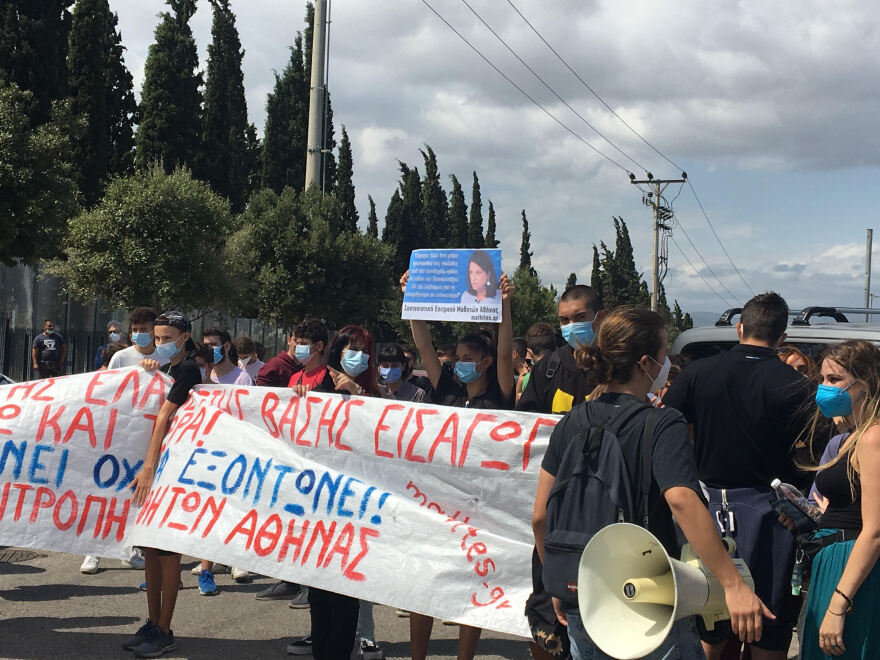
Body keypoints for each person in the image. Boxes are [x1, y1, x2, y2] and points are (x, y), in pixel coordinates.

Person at [532, 306, 772, 660]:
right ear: (646, 362)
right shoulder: (662, 423)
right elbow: (681, 500)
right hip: (648, 599)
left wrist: (559, 577)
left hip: (585, 595)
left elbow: (540, 515)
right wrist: (733, 585)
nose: (665, 363)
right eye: (663, 354)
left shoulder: (572, 421)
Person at [662, 292, 818, 660]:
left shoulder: (698, 373)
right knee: (768, 630)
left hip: (707, 513)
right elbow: (816, 455)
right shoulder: (796, 385)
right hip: (772, 517)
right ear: (782, 337)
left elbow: (667, 429)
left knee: (709, 623)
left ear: (740, 328)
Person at [404, 268, 515, 660]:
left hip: (481, 503)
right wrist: (413, 299)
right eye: (457, 357)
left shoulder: (500, 394)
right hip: (439, 501)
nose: (459, 363)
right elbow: (425, 348)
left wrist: (504, 304)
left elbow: (505, 350)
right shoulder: (447, 388)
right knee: (425, 585)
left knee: (473, 586)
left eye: (469, 358)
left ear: (485, 362)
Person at [286, 324, 383, 660]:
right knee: (319, 591)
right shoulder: (316, 387)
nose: (357, 356)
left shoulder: (373, 393)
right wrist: (300, 402)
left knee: (344, 593)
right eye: (351, 348)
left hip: (353, 507)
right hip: (317, 504)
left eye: (364, 350)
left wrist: (358, 393)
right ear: (338, 350)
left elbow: (384, 435)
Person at [794, 340, 880, 659]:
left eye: (835, 380)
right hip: (835, 563)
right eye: (823, 380)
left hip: (852, 571)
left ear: (865, 383)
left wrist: (838, 603)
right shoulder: (851, 437)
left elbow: (874, 531)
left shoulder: (872, 438)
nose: (824, 389)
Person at [125, 310, 202, 658]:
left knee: (169, 556)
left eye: (166, 338)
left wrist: (149, 467)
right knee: (151, 553)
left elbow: (163, 418)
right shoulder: (166, 369)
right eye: (157, 338)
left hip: (171, 472)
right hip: (156, 469)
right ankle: (153, 622)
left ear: (185, 337)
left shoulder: (188, 370)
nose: (159, 344)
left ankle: (166, 629)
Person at [81, 307, 166, 576]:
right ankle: (92, 551)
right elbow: (107, 392)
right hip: (118, 433)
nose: (141, 334)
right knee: (104, 490)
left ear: (155, 331)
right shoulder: (121, 357)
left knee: (137, 494)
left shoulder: (164, 358)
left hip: (148, 436)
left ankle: (130, 550)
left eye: (146, 329)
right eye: (136, 330)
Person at [517, 285, 604, 414]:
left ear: (600, 316)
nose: (572, 325)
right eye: (564, 320)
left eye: (580, 317)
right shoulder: (547, 367)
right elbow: (527, 420)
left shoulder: (617, 365)